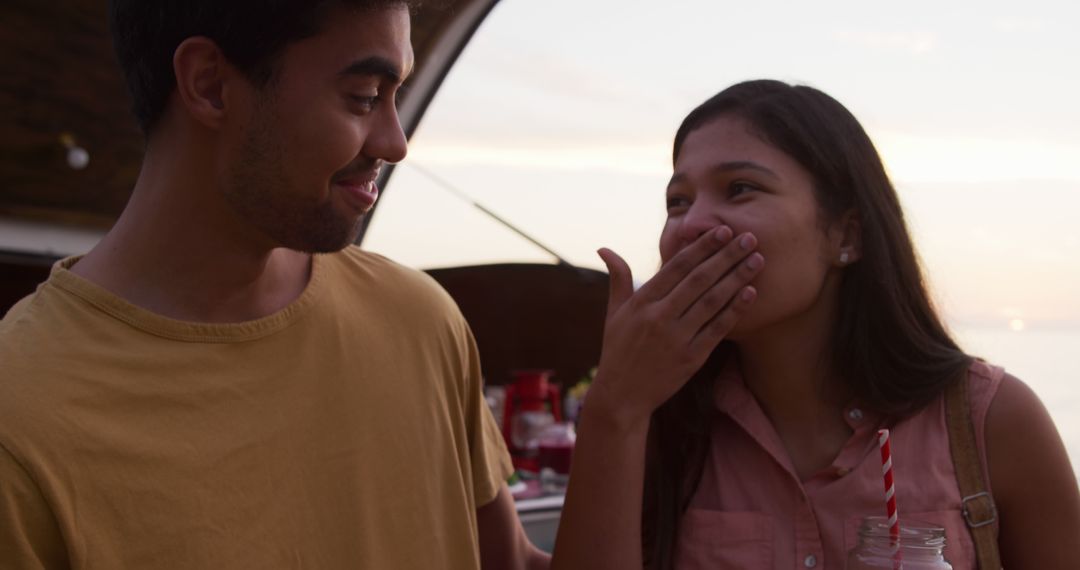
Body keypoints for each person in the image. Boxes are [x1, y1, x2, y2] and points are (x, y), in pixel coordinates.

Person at [0, 1, 549, 568]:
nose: (395, 142)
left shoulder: (422, 322)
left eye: (396, 98)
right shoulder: (20, 422)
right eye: (364, 97)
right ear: (211, 85)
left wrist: (621, 415)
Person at [552, 80, 1080, 569]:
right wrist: (613, 408)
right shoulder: (651, 424)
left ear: (846, 236)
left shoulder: (990, 420)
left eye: (739, 188)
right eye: (678, 201)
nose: (691, 225)